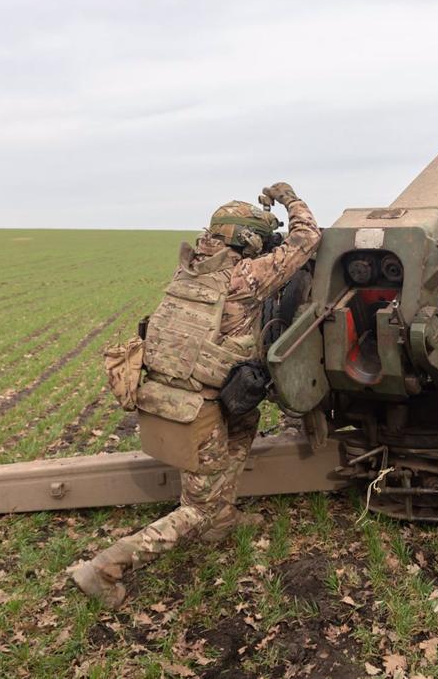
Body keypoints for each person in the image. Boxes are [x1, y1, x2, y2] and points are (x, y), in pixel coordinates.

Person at [73, 182, 321, 610]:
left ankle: (221, 521)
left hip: (165, 393)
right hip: (196, 408)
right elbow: (307, 238)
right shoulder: (246, 276)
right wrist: (288, 197)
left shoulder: (189, 267)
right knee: (195, 508)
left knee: (245, 420)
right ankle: (105, 568)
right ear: (248, 241)